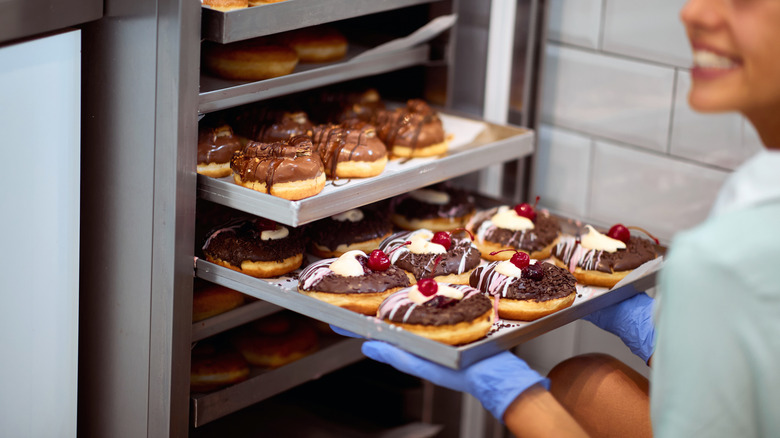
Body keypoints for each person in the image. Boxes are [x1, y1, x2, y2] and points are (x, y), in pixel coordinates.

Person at [336, 0, 780, 436]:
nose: (693, 12)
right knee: (582, 382)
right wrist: (661, 340)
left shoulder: (728, 257)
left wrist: (516, 396)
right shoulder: (757, 189)